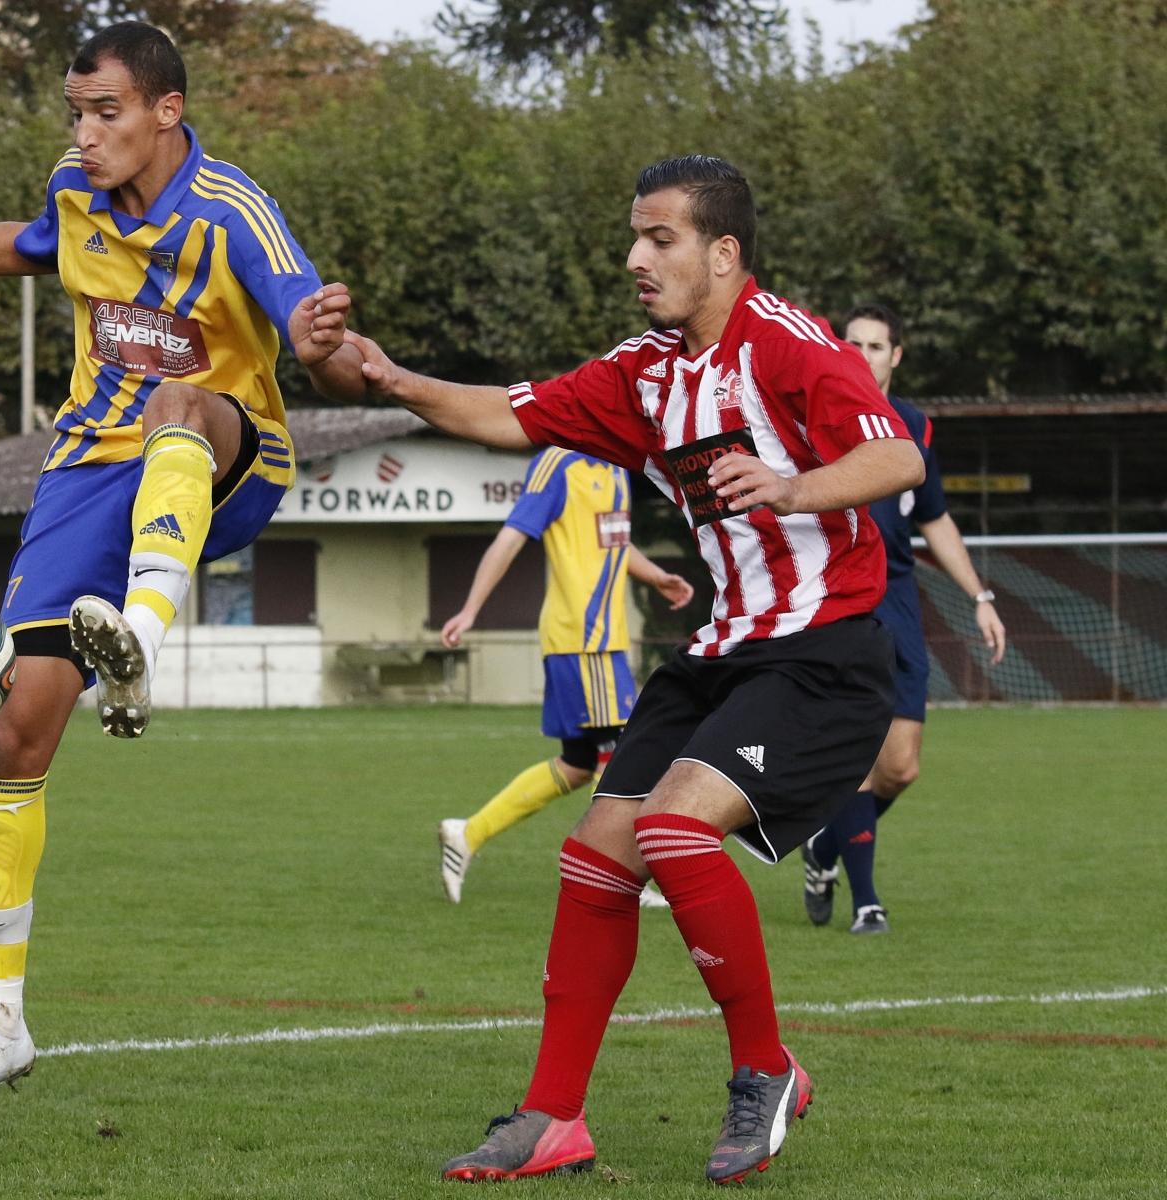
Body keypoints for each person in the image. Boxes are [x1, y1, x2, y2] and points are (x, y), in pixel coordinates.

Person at [0, 20, 362, 1133]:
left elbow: (294, 300)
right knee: (13, 739)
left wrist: (314, 325)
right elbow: (27, 243)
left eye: (106, 111)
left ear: (167, 111)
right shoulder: (75, 187)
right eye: (75, 111)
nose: (85, 132)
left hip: (225, 460)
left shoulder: (231, 206)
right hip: (82, 481)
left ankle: (140, 634)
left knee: (174, 405)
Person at [346, 156, 924, 1184]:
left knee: (667, 827)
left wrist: (793, 486)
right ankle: (555, 1117)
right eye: (635, 237)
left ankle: (768, 1071)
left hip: (821, 655)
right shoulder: (645, 370)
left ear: (724, 253)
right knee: (596, 858)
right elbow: (510, 414)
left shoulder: (793, 347)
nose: (635, 258)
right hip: (715, 655)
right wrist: (391, 379)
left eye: (660, 239)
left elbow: (895, 459)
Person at [800, 305, 1006, 935]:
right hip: (840, 601)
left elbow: (934, 518)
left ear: (897, 356)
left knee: (901, 766)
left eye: (876, 346)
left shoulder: (915, 425)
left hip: (899, 603)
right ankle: (867, 903)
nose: (863, 355)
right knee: (862, 751)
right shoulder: (819, 420)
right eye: (853, 343)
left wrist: (980, 595)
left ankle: (823, 850)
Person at [436, 447, 694, 904]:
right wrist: (471, 608)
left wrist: (656, 576)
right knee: (620, 755)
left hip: (605, 641)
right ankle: (618, 874)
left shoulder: (615, 466)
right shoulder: (559, 463)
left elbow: (612, 542)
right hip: (581, 638)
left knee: (578, 763)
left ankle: (467, 833)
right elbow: (513, 535)